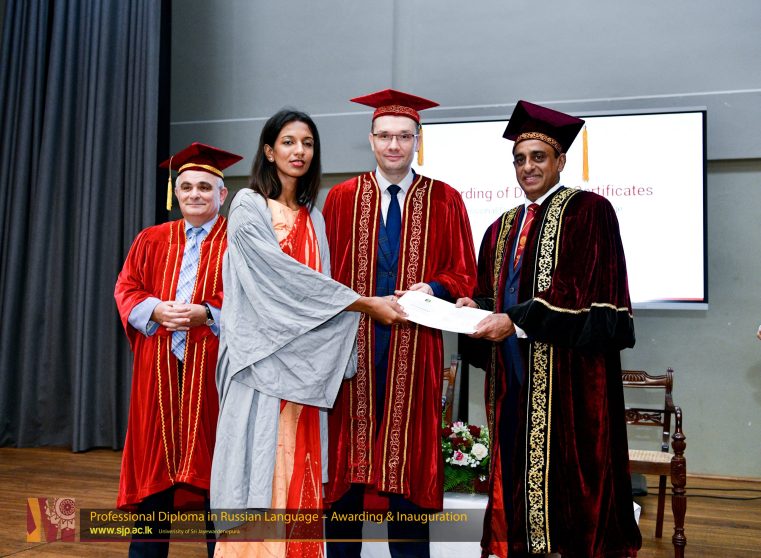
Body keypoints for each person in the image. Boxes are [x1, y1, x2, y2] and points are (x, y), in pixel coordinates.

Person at [210, 109, 406, 558]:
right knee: (259, 470)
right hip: (259, 365)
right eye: (288, 141)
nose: (299, 151)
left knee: (298, 470)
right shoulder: (247, 205)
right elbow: (277, 277)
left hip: (304, 372)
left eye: (308, 143)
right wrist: (363, 303)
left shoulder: (314, 217)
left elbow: (319, 293)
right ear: (268, 151)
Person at [457, 100, 642, 557]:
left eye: (538, 157)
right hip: (511, 378)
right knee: (515, 471)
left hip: (568, 380)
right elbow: (491, 296)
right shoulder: (499, 228)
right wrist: (472, 308)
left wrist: (516, 320)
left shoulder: (590, 212)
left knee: (571, 484)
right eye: (519, 159)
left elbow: (589, 299)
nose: (528, 167)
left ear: (560, 160)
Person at [323, 89, 478, 557]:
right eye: (386, 136)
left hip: (416, 348)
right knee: (347, 464)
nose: (394, 145)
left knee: (407, 462)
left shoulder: (445, 199)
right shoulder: (342, 199)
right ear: (371, 139)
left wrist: (433, 287)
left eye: (404, 136)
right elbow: (323, 276)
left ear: (418, 140)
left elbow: (464, 272)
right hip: (351, 350)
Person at [114, 142, 243, 557]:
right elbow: (127, 288)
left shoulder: (239, 241)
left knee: (217, 478)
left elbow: (254, 299)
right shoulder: (152, 239)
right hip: (159, 371)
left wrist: (209, 312)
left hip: (216, 374)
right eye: (186, 187)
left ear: (222, 194)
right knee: (155, 474)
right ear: (176, 193)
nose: (194, 195)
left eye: (204, 187)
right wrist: (154, 309)